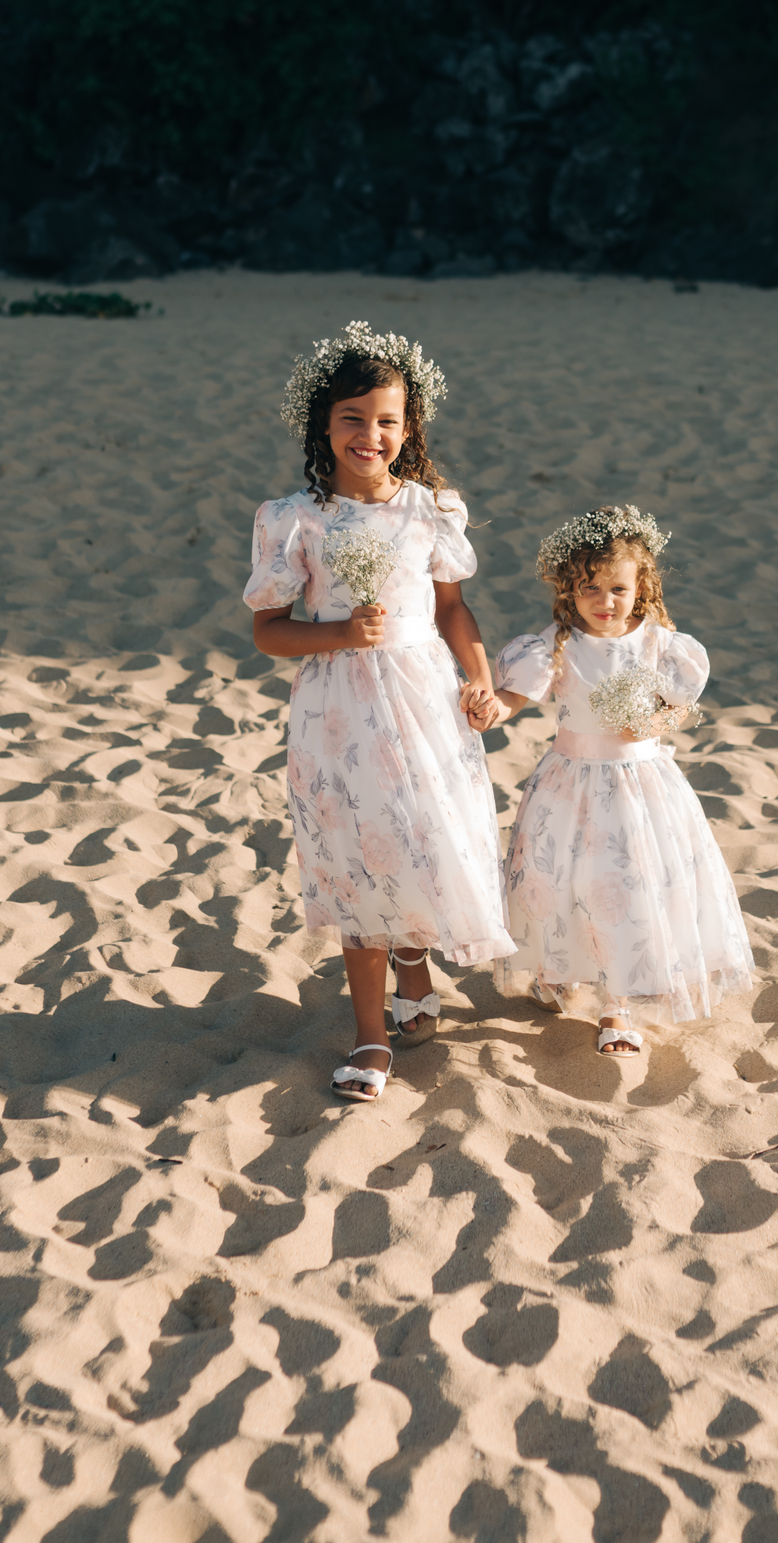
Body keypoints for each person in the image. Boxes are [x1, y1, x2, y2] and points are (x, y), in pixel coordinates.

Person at [244, 320, 514, 1103]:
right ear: (323, 426)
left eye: (387, 421)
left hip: (426, 698)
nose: (371, 434)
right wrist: (335, 631)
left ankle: (414, 962)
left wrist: (478, 679)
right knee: (358, 856)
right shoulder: (298, 517)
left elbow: (453, 610)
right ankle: (368, 1035)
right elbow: (267, 630)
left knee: (423, 839)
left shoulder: (429, 511)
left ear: (408, 428)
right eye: (353, 418)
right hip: (337, 709)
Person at [475, 504, 753, 1059]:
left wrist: (651, 722)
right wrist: (493, 711)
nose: (605, 602)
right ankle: (561, 969)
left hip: (641, 787)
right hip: (570, 784)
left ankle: (617, 1004)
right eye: (590, 589)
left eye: (618, 590)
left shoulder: (660, 646)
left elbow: (675, 708)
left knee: (628, 886)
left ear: (641, 587)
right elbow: (517, 698)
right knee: (566, 883)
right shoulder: (556, 647)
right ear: (568, 591)